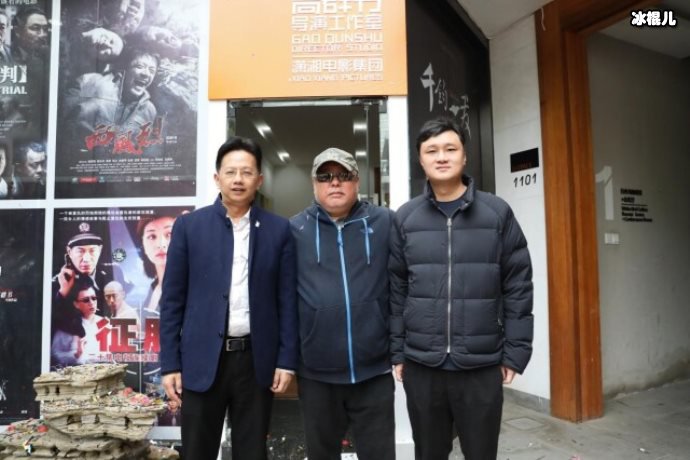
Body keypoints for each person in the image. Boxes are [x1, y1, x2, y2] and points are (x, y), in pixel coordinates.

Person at [389, 117, 534, 460]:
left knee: (481, 453)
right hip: (422, 364)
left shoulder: (497, 213)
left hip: (481, 365)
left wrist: (515, 351)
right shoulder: (405, 218)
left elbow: (517, 285)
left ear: (464, 156)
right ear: (420, 159)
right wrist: (397, 351)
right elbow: (396, 289)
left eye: (450, 149)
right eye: (432, 151)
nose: (442, 157)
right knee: (429, 453)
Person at [160, 136, 298, 460]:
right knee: (197, 451)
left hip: (255, 361)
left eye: (247, 172)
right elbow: (172, 302)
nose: (238, 179)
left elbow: (287, 301)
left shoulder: (279, 230)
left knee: (252, 452)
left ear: (259, 180)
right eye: (231, 172)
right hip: (202, 360)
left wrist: (286, 360)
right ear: (217, 177)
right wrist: (170, 365)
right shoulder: (189, 227)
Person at [290, 147, 396, 459]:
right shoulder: (293, 230)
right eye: (325, 176)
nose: (334, 182)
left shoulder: (386, 222)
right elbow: (283, 299)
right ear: (314, 184)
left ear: (356, 181)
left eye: (343, 175)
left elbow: (403, 285)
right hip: (316, 373)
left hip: (374, 371)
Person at [63, 48, 159, 156]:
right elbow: (61, 120)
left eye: (152, 71)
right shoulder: (90, 82)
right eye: (139, 66)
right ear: (124, 68)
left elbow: (140, 150)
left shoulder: (150, 111)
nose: (146, 74)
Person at [136, 210, 182, 314]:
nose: (161, 244)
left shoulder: (189, 287)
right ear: (143, 245)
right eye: (152, 236)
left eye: (169, 234)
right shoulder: (153, 286)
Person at [51, 284, 110, 365]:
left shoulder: (105, 322)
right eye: (86, 300)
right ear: (76, 304)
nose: (91, 303)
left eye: (94, 298)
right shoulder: (67, 326)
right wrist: (76, 355)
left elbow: (112, 352)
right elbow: (54, 355)